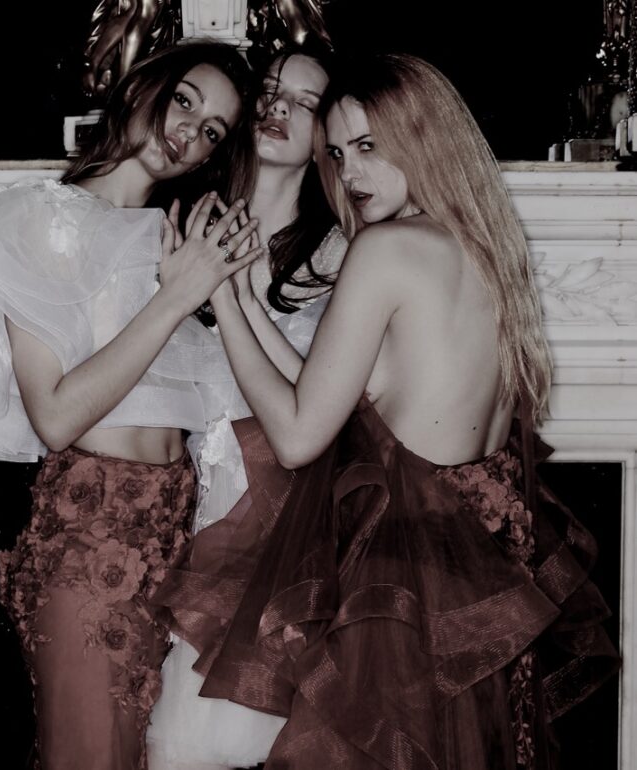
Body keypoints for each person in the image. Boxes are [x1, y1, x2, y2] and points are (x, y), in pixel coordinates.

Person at [154, 54, 620, 768]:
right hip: (472, 576)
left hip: (394, 584)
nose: (350, 172)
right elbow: (337, 392)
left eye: (369, 146)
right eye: (339, 154)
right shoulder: (486, 253)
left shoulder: (384, 249)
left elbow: (299, 437)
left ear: (422, 136)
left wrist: (213, 292)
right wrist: (242, 299)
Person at [0, 40, 263, 770]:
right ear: (141, 88)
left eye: (213, 130)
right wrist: (179, 295)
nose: (190, 131)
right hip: (92, 540)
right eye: (184, 100)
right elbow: (54, 416)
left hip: (174, 543)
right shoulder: (45, 219)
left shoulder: (174, 241)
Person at [147, 49, 348, 770]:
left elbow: (332, 414)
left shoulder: (340, 256)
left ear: (325, 135)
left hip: (278, 550)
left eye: (305, 101)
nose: (279, 107)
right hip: (170, 539)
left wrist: (244, 295)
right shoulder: (178, 225)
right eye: (269, 90)